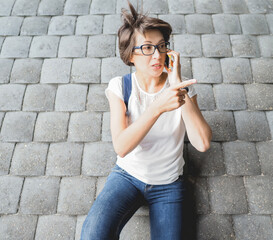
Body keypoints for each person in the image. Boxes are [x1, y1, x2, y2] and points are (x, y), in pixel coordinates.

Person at [80, 1, 212, 239]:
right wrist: (157, 108)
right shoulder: (120, 87)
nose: (157, 55)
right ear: (131, 56)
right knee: (92, 235)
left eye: (161, 46)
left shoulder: (182, 88)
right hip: (127, 176)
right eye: (148, 48)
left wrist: (176, 84)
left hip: (168, 184)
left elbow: (202, 143)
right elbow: (121, 146)